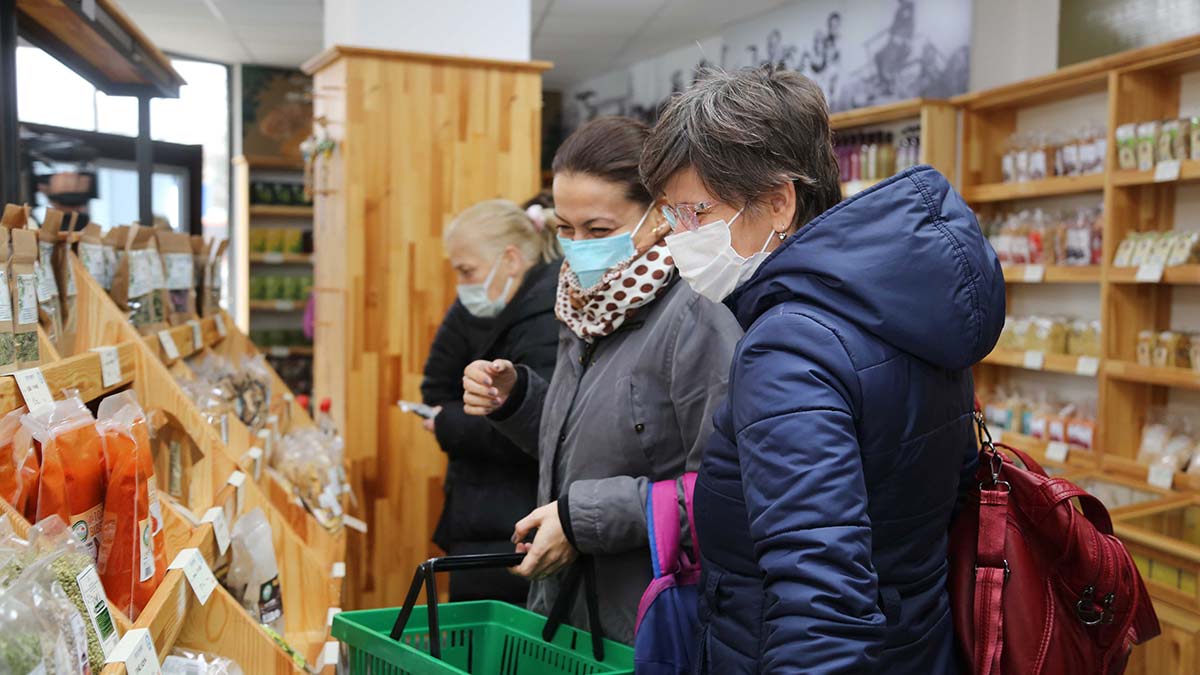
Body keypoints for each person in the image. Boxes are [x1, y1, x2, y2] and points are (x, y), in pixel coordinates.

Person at [640, 66, 1006, 673]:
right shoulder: (903, 307)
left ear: (778, 202)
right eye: (672, 215)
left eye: (694, 212)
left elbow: (820, 595)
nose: (678, 237)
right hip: (919, 644)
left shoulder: (790, 348)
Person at [460, 116, 743, 645]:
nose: (578, 247)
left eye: (597, 230)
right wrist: (517, 399)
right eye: (564, 229)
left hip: (646, 620)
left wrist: (581, 520)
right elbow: (594, 443)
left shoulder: (698, 314)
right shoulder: (583, 303)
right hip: (571, 611)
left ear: (660, 214)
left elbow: (725, 488)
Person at [420, 199, 561, 603]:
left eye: (467, 271)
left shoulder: (547, 316)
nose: (462, 285)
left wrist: (448, 423)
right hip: (486, 513)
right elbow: (437, 383)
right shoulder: (494, 303)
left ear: (510, 260)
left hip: (514, 523)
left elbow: (538, 426)